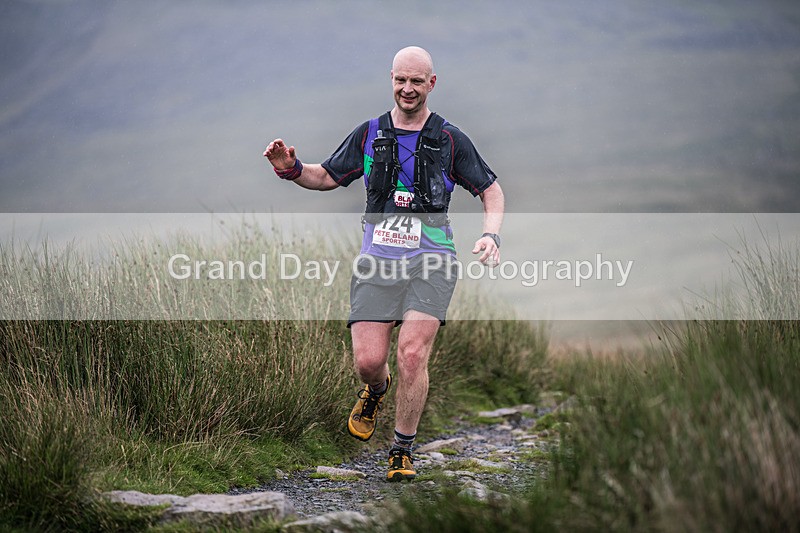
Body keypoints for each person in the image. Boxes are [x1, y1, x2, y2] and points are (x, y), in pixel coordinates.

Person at [263, 46, 504, 482]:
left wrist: (490, 234)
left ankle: (401, 450)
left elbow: (491, 189)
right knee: (369, 362)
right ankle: (375, 390)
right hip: (377, 264)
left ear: (432, 84)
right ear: (391, 79)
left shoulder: (450, 140)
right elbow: (327, 177)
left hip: (433, 262)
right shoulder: (369, 134)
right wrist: (291, 168)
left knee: (412, 354)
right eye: (400, 80)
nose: (407, 89)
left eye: (417, 81)